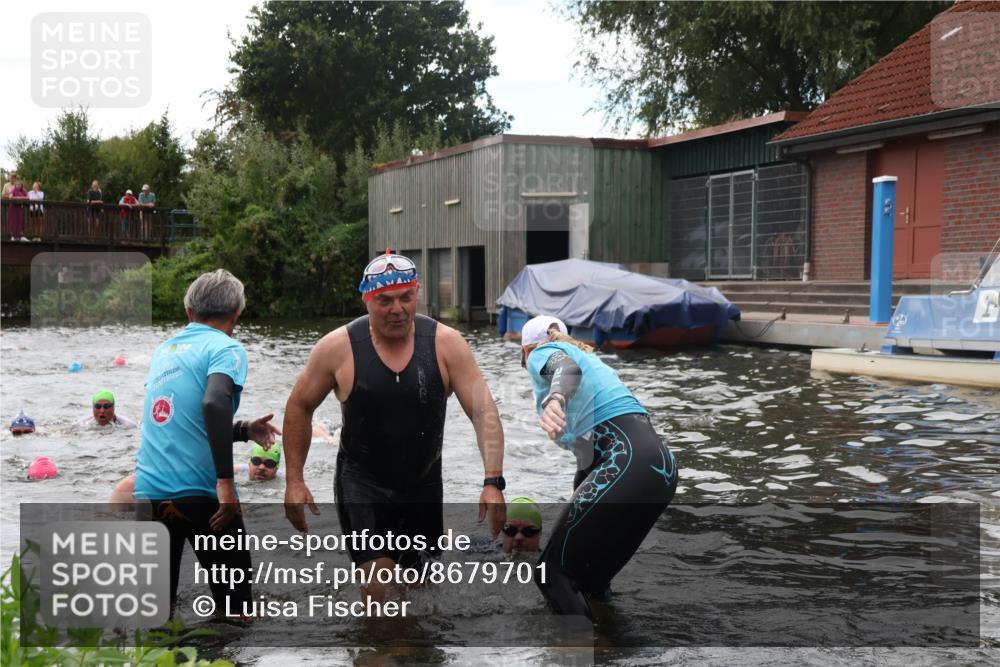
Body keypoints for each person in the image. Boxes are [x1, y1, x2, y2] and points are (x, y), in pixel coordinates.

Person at [282, 250, 506, 602]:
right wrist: (295, 480)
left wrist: (493, 481)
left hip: (424, 485)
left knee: (422, 598)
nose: (397, 309)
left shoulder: (447, 345)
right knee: (382, 596)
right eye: (384, 301)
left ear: (417, 292)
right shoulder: (337, 348)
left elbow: (483, 412)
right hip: (362, 485)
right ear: (366, 299)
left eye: (405, 297)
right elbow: (299, 405)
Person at [133, 269, 280, 616]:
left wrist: (243, 429)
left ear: (188, 312)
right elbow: (213, 403)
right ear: (236, 315)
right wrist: (226, 483)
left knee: (156, 614)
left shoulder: (163, 351)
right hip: (203, 496)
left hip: (150, 494)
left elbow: (183, 423)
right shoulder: (226, 348)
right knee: (236, 613)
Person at [520, 315, 678, 620]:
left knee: (551, 574)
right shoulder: (596, 365)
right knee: (590, 580)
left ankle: (579, 654)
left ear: (526, 352)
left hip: (627, 461)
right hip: (660, 468)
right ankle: (608, 646)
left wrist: (555, 399)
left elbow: (566, 370)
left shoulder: (541, 352)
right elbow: (588, 467)